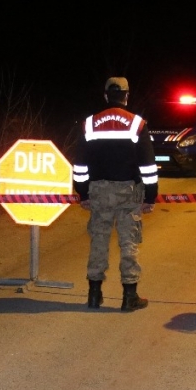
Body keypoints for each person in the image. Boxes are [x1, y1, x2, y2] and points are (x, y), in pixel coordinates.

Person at [72, 77, 159, 312]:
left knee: (99, 240)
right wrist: (151, 196)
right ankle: (129, 297)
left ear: (105, 95)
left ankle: (94, 294)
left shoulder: (89, 124)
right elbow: (148, 166)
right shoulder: (137, 124)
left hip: (98, 191)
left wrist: (82, 193)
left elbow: (80, 165)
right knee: (128, 241)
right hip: (128, 192)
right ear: (127, 96)